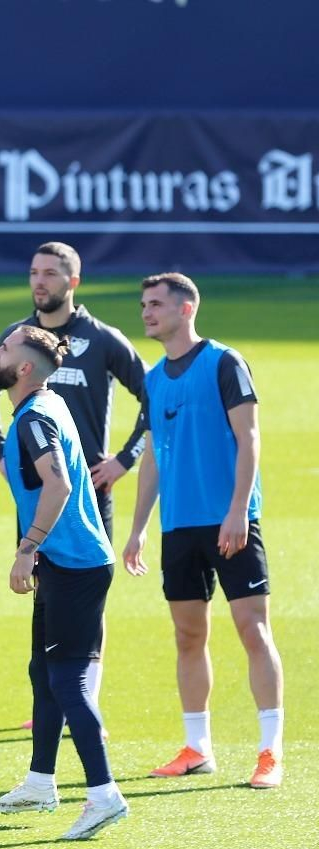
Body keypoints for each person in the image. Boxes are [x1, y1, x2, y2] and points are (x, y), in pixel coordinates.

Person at [0, 242, 146, 729]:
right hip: (39, 497)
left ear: (73, 281)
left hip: (91, 492)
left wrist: (124, 460)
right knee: (45, 589)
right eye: (33, 272)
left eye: (50, 273)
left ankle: (83, 699)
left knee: (88, 597)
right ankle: (54, 700)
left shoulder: (104, 339)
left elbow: (152, 395)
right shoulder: (17, 339)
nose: (38, 282)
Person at [123, 273, 283, 789]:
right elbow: (152, 456)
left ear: (186, 308)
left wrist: (238, 510)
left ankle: (269, 751)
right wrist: (139, 527)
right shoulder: (152, 377)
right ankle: (197, 748)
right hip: (180, 527)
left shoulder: (225, 362)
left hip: (229, 520)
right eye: (144, 304)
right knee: (188, 635)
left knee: (252, 630)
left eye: (156, 304)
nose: (146, 313)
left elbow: (250, 437)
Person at [0, 326, 129, 840]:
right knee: (43, 670)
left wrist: (27, 549)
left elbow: (59, 483)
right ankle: (41, 782)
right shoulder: (47, 402)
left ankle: (104, 794)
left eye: (4, 349)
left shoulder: (35, 417)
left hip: (74, 566)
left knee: (67, 680)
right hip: (66, 562)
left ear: (23, 369)